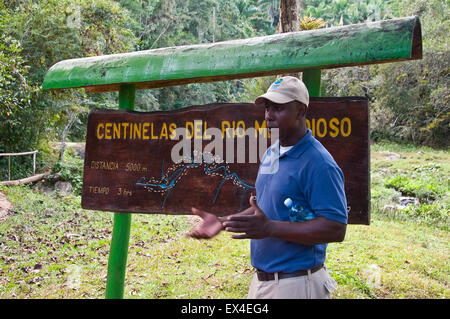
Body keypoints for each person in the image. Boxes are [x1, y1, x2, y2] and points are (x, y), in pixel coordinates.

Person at [188, 76, 348, 299]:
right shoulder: (272, 153)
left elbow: (335, 228)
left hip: (297, 285)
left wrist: (270, 228)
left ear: (301, 110)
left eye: (279, 108)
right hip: (262, 282)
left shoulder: (319, 163)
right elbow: (264, 206)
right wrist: (223, 222)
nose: (269, 115)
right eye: (267, 107)